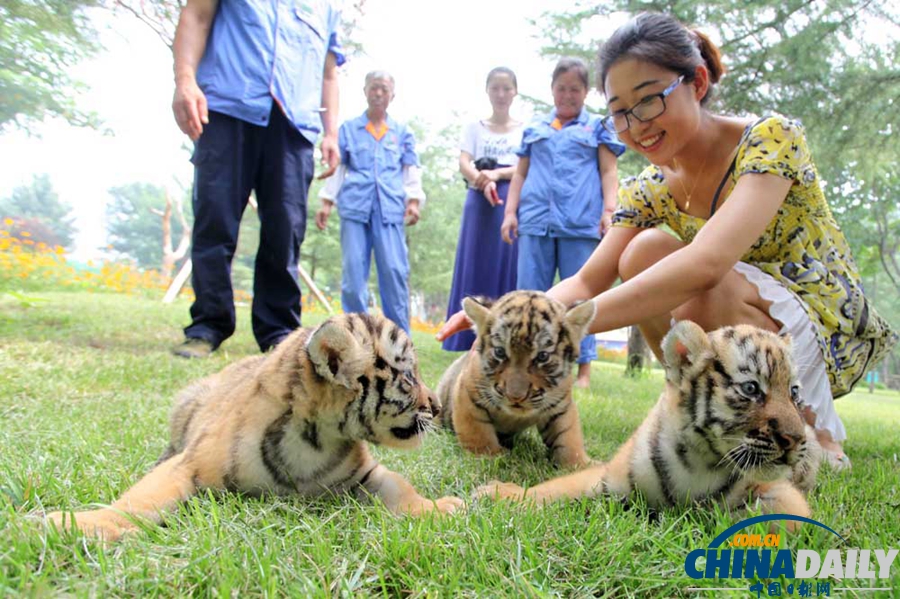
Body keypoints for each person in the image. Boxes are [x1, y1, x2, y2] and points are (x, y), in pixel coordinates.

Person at [439, 12, 898, 469]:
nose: (636, 125)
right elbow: (585, 281)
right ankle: (699, 406)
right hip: (739, 317)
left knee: (701, 285)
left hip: (816, 325)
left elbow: (707, 264)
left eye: (649, 100)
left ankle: (807, 424)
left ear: (697, 83)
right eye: (619, 112)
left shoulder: (770, 140)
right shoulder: (652, 187)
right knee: (642, 251)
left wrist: (559, 330)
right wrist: (507, 318)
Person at [170, 0, 344, 359]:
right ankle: (207, 325)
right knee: (214, 220)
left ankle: (279, 333)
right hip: (226, 110)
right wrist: (185, 80)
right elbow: (197, 16)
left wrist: (332, 133)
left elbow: (328, 73)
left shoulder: (325, 7)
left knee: (286, 230)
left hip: (294, 125)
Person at [500, 57, 625, 387]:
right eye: (561, 88)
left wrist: (609, 211)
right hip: (535, 221)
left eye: (575, 89)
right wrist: (510, 212)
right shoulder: (535, 128)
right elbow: (521, 173)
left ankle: (582, 369)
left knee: (580, 300)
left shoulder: (597, 128)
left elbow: (608, 171)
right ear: (552, 90)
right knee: (529, 295)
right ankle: (523, 361)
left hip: (580, 223)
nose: (567, 95)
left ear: (585, 92)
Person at [315, 72, 424, 334]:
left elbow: (410, 169)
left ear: (392, 95)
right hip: (354, 207)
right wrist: (327, 201)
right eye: (374, 88)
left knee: (394, 273)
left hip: (389, 210)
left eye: (384, 89)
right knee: (353, 276)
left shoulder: (402, 133)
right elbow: (338, 167)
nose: (378, 94)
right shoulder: (349, 129)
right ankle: (356, 336)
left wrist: (413, 201)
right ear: (365, 91)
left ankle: (400, 338)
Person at [442, 67, 524, 352]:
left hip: (508, 199)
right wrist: (480, 177)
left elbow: (524, 166)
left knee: (506, 264)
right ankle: (462, 335)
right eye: (495, 88)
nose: (501, 94)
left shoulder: (523, 130)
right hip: (478, 198)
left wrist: (497, 175)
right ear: (488, 91)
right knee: (473, 263)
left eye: (506, 88)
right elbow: (464, 161)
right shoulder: (473, 128)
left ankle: (502, 334)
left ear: (514, 92)